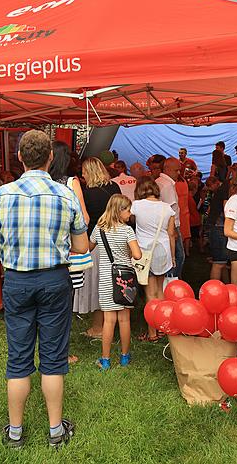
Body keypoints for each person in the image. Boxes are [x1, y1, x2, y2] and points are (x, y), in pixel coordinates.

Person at [0, 130, 87, 450]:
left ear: (19, 157)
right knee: (54, 359)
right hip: (54, 280)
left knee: (18, 358)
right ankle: (55, 431)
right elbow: (81, 246)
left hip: (17, 280)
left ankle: (15, 432)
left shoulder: (1, 194)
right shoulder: (65, 194)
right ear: (50, 157)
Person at [89, 195, 142, 371]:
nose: (130, 213)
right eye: (127, 209)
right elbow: (137, 255)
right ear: (119, 210)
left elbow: (88, 247)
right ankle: (125, 358)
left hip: (106, 277)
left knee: (109, 321)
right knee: (124, 319)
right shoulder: (127, 231)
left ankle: (105, 360)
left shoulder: (99, 228)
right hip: (124, 279)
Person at [73, 158, 121, 338]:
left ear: (91, 172)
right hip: (117, 240)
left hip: (96, 242)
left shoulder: (88, 194)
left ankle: (98, 327)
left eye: (84, 171)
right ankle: (115, 321)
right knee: (113, 282)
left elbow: (83, 219)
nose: (83, 175)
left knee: (98, 284)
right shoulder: (115, 188)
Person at [131, 178, 176, 342]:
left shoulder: (136, 206)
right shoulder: (167, 209)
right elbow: (172, 234)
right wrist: (172, 256)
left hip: (144, 252)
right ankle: (163, 327)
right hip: (163, 251)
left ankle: (152, 333)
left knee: (150, 294)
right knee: (160, 291)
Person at [157, 157, 184, 277]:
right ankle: (173, 280)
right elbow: (169, 210)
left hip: (162, 226)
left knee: (169, 255)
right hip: (171, 226)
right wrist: (173, 230)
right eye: (176, 170)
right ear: (167, 169)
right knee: (178, 256)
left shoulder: (159, 181)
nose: (179, 173)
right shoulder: (167, 185)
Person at [203, 176, 230, 281]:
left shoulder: (220, 190)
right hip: (219, 227)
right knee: (219, 263)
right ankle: (213, 290)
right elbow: (226, 211)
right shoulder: (224, 191)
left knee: (221, 262)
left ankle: (226, 285)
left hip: (217, 226)